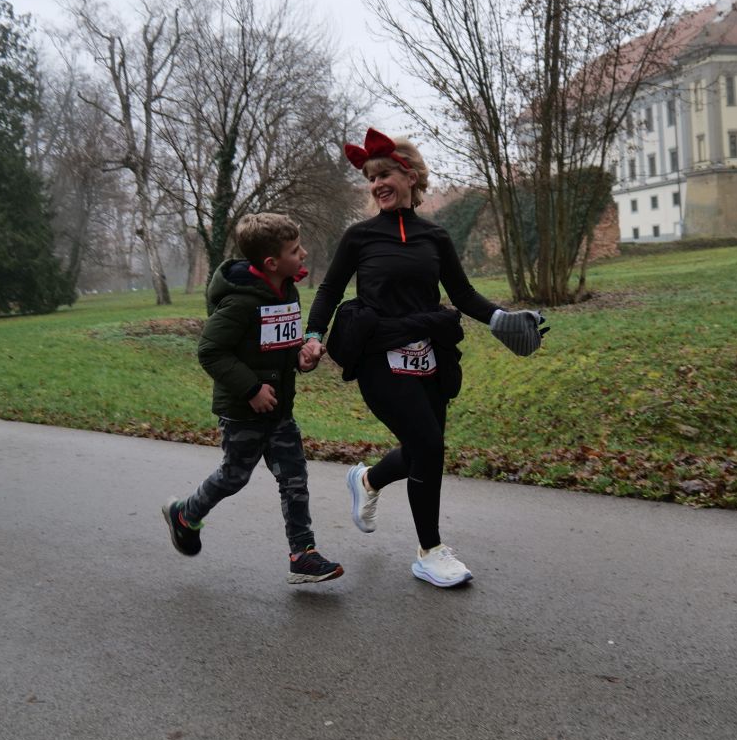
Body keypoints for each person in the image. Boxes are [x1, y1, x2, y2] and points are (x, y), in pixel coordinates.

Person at [300, 129, 546, 588]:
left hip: (430, 351)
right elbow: (330, 289)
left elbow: (462, 294)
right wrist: (313, 336)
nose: (377, 185)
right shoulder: (359, 237)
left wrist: (502, 320)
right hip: (378, 353)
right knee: (429, 446)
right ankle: (430, 552)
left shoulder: (435, 235)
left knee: (420, 450)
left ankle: (368, 480)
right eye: (372, 178)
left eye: (384, 175)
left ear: (410, 176)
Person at [161, 213, 343, 584]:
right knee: (234, 476)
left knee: (294, 478)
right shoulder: (240, 302)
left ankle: (303, 554)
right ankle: (185, 514)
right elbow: (211, 351)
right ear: (272, 263)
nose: (304, 254)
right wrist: (251, 389)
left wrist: (302, 357)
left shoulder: (287, 290)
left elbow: (280, 344)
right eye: (295, 250)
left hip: (280, 409)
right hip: (243, 411)